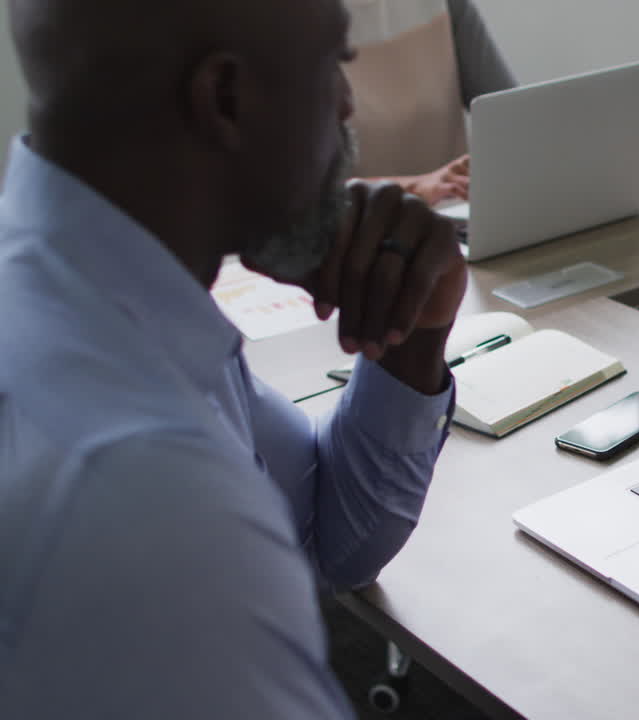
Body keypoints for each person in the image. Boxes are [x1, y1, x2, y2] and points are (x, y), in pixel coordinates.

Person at [0, 0, 466, 716]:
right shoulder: (151, 503)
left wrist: (414, 330)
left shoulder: (92, 290)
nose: (348, 107)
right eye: (336, 64)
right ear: (225, 99)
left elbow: (324, 542)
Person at [344, 0, 515, 205]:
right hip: (356, 232)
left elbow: (513, 122)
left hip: (456, 218)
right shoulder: (302, 22)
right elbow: (304, 198)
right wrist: (416, 186)